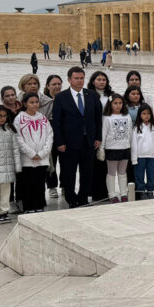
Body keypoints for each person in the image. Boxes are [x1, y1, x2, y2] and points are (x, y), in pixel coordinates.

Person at [51, 66, 101, 208]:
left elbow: (97, 118)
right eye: (76, 78)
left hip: (88, 141)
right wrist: (59, 141)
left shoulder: (91, 95)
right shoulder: (61, 97)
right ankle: (71, 199)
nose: (79, 81)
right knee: (69, 173)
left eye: (81, 78)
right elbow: (57, 122)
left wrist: (98, 137)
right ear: (69, 80)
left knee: (87, 172)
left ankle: (83, 198)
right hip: (69, 143)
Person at [15, 92, 52, 213]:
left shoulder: (43, 117)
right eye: (31, 102)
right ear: (25, 103)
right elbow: (18, 138)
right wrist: (31, 153)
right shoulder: (20, 118)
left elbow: (49, 136)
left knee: (39, 183)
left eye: (36, 102)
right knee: (27, 184)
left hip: (42, 158)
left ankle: (39, 205)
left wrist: (42, 153)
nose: (34, 104)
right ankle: (28, 207)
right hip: (27, 159)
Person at [86, 70, 114, 201]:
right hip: (94, 132)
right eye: (99, 80)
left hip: (109, 132)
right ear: (93, 81)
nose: (101, 82)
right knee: (95, 163)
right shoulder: (87, 95)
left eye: (104, 80)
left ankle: (105, 192)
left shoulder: (111, 95)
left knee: (106, 163)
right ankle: (94, 191)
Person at [101, 95, 133, 202]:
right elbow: (104, 133)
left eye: (120, 103)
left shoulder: (127, 116)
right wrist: (101, 148)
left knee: (122, 172)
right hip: (112, 148)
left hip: (125, 148)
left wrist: (130, 146)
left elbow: (129, 132)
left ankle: (123, 193)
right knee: (111, 173)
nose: (118, 105)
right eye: (115, 103)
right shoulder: (107, 118)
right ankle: (112, 194)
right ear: (110, 104)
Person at [40, 74, 63, 199]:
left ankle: (65, 185)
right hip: (48, 136)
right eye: (54, 84)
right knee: (50, 161)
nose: (57, 86)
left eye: (59, 84)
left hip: (63, 135)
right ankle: (52, 186)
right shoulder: (43, 101)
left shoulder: (65, 98)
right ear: (48, 86)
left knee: (65, 162)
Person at [130, 104, 154, 198]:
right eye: (144, 113)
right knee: (139, 174)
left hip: (151, 156)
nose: (146, 116)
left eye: (148, 113)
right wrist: (134, 158)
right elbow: (134, 144)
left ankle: (150, 190)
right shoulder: (136, 128)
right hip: (140, 156)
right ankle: (141, 190)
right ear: (139, 115)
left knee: (151, 174)